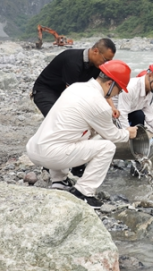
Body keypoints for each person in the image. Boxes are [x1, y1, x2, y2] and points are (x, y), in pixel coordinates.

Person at [26, 60, 138, 209]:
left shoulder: (77, 87)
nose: (120, 93)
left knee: (70, 132)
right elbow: (114, 136)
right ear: (110, 83)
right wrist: (128, 133)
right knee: (107, 147)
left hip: (34, 149)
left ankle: (59, 181)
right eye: (120, 89)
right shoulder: (99, 104)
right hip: (51, 155)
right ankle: (84, 193)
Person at [31, 38, 119, 118]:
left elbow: (102, 88)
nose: (106, 64)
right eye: (105, 60)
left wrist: (111, 107)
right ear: (95, 51)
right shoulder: (73, 61)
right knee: (57, 119)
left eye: (109, 61)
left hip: (64, 91)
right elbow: (71, 94)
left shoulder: (98, 65)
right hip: (46, 90)